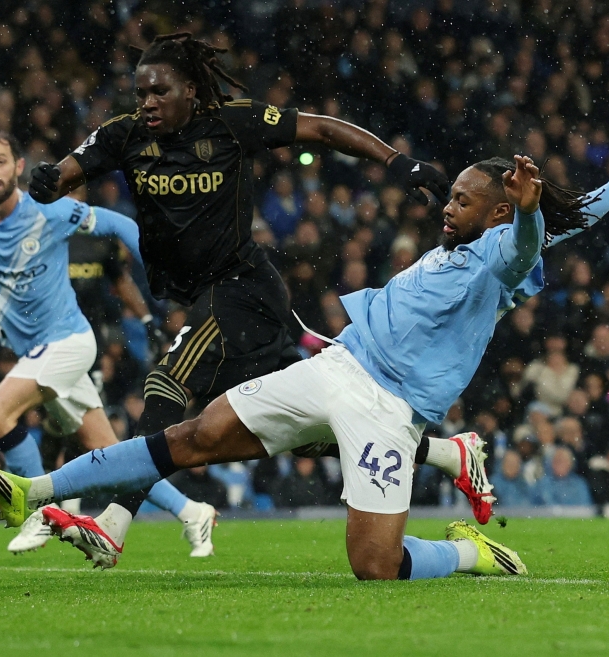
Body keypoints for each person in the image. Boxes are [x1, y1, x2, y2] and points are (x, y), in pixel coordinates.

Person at [0, 147, 609, 580]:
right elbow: (570, 214)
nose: (447, 208)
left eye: (462, 202)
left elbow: (542, 233)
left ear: (500, 210)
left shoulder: (505, 254)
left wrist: (560, 204)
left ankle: (471, 551)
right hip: (336, 365)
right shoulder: (467, 238)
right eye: (450, 197)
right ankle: (31, 492)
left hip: (390, 412)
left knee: (375, 567)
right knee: (191, 435)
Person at [26, 32, 473, 563]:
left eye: (158, 91)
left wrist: (400, 164)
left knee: (166, 381)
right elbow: (63, 175)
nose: (145, 102)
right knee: (293, 427)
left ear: (191, 90)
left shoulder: (232, 123)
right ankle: (448, 453)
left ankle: (113, 524)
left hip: (241, 285)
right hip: (216, 297)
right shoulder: (122, 135)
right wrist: (47, 181)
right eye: (140, 92)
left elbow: (323, 129)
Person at [0, 130, 215, 557]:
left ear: (17, 167)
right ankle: (192, 511)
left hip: (69, 343)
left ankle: (38, 512)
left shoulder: (48, 211)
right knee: (109, 454)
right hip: (37, 353)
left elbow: (119, 224)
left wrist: (160, 272)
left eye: (0, 160)